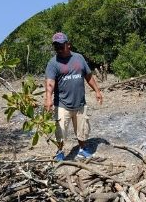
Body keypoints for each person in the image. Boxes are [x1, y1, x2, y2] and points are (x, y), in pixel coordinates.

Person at [44, 33, 103, 161]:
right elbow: (50, 82)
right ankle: (60, 151)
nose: (58, 48)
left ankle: (82, 150)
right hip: (62, 104)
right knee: (60, 131)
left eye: (61, 45)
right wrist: (48, 99)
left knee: (82, 129)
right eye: (56, 46)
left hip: (80, 103)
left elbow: (88, 76)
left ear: (68, 44)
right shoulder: (53, 63)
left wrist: (97, 91)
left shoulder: (79, 58)